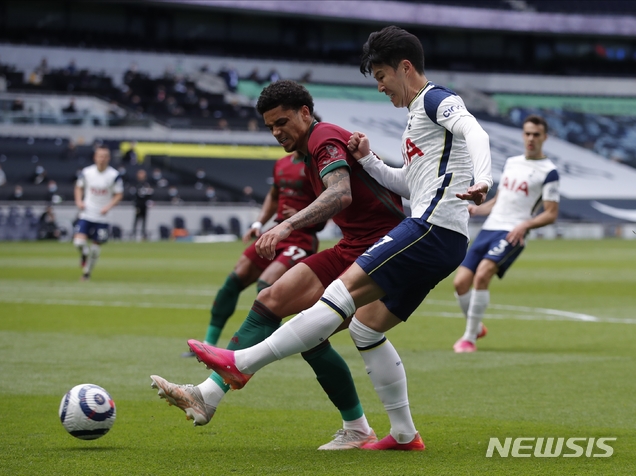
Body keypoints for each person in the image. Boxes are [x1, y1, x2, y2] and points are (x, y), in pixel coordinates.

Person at [186, 26, 493, 451]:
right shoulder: (415, 118)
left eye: (382, 76)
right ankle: (404, 436)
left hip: (431, 228)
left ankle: (241, 364)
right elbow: (408, 183)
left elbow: (476, 132)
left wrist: (484, 180)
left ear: (405, 67)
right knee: (366, 330)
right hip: (437, 233)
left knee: (337, 294)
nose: (381, 86)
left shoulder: (437, 99)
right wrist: (370, 160)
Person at [150, 79, 406, 450]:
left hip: (383, 252)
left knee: (310, 332)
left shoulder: (323, 138)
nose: (276, 132)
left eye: (282, 122)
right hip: (353, 247)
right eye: (271, 126)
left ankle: (368, 430)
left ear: (305, 112)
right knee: (272, 300)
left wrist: (284, 225)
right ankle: (208, 397)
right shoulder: (305, 156)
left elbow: (341, 192)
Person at [181, 150, 323, 355]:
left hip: (301, 238)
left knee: (266, 285)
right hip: (274, 233)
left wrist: (304, 216)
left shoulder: (318, 165)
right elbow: (273, 196)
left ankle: (266, 347)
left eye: (282, 124)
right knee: (233, 280)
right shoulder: (282, 163)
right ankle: (209, 343)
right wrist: (258, 223)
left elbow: (332, 203)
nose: (278, 132)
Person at [452, 114, 559, 353]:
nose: (531, 138)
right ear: (523, 135)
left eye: (536, 134)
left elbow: (551, 213)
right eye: (527, 133)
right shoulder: (512, 162)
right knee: (460, 283)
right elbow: (500, 200)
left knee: (482, 276)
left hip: (512, 233)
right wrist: (477, 210)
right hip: (490, 228)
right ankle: (477, 327)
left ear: (545, 137)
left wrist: (524, 225)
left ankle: (469, 338)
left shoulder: (549, 172)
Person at [73, 145, 123, 281]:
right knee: (78, 242)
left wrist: (108, 206)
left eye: (105, 156)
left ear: (109, 158)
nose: (102, 159)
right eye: (100, 156)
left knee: (95, 249)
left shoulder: (114, 176)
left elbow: (119, 194)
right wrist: (79, 201)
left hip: (103, 217)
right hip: (87, 213)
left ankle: (86, 273)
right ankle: (83, 254)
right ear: (95, 157)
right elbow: (78, 187)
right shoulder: (87, 172)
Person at [131, 169, 153, 241]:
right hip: (138, 204)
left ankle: (143, 234)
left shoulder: (147, 183)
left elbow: (149, 193)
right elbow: (134, 194)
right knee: (136, 219)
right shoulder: (136, 183)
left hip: (145, 204)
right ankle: (134, 233)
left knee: (144, 220)